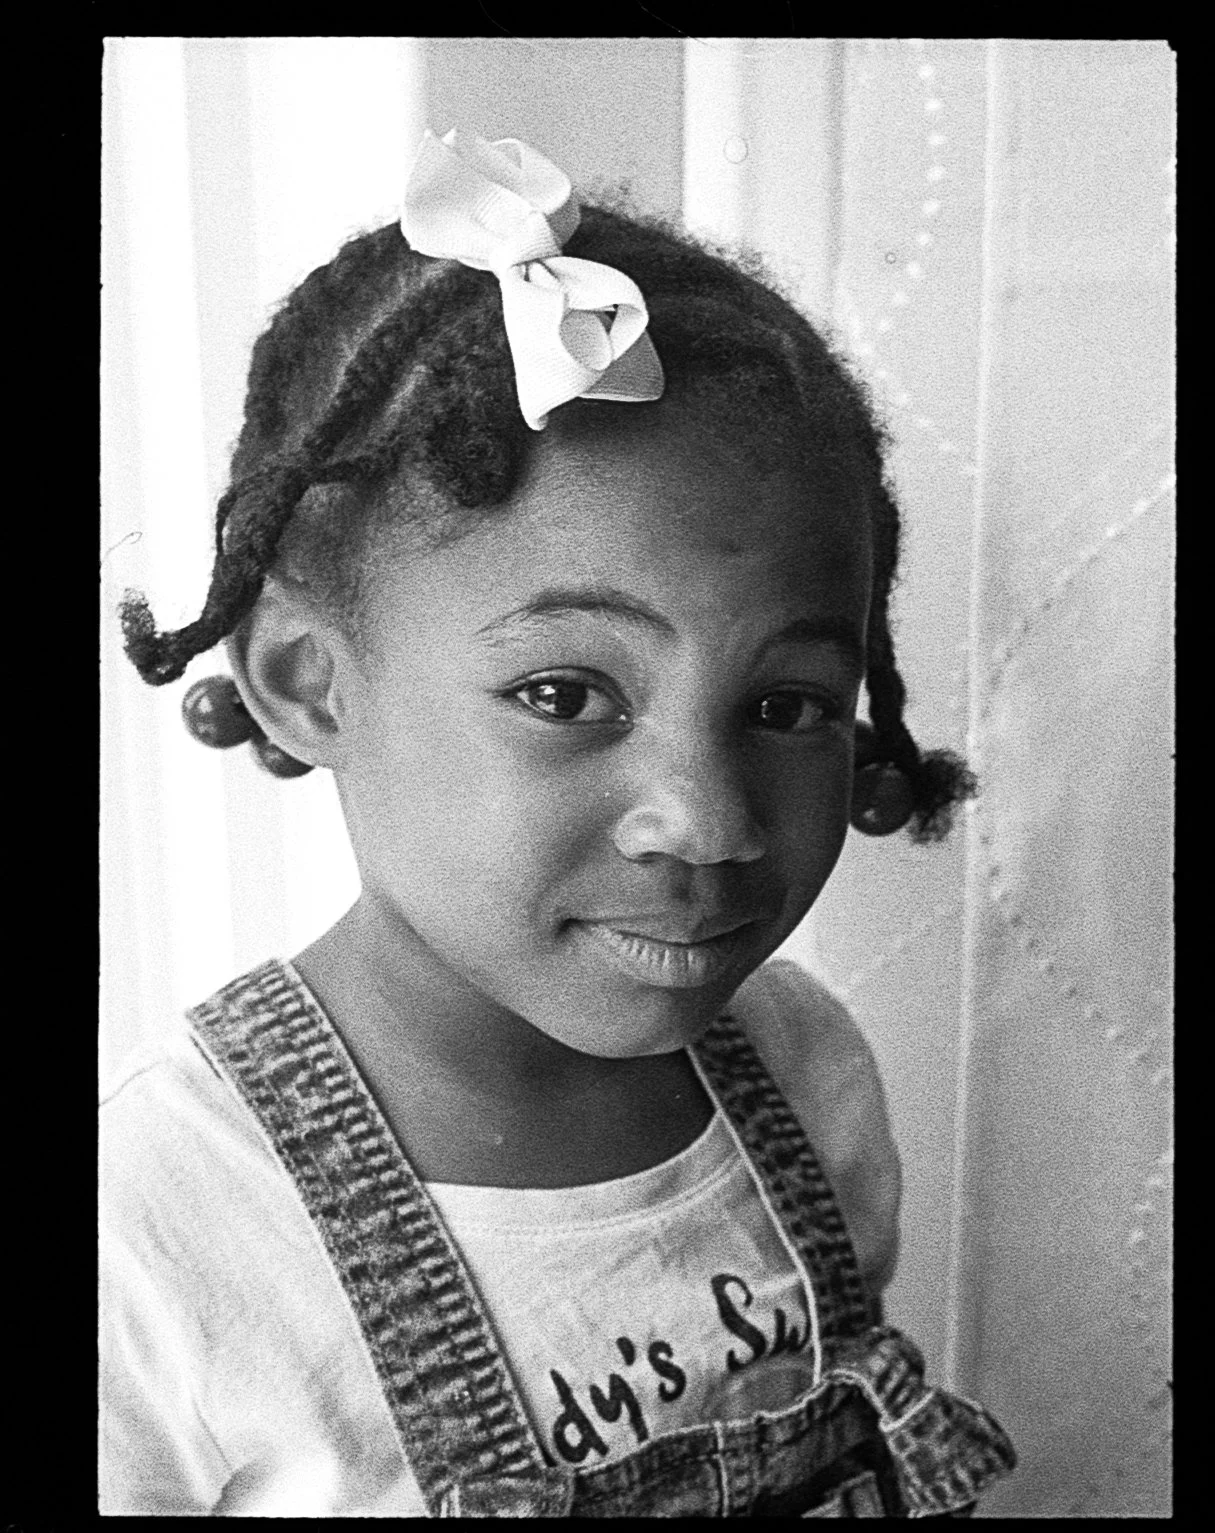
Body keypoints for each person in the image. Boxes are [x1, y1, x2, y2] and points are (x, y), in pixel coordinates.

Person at [100, 133, 1017, 1515]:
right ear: (305, 682)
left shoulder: (804, 1066)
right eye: (563, 692)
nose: (703, 822)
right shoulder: (156, 1231)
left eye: (784, 706)